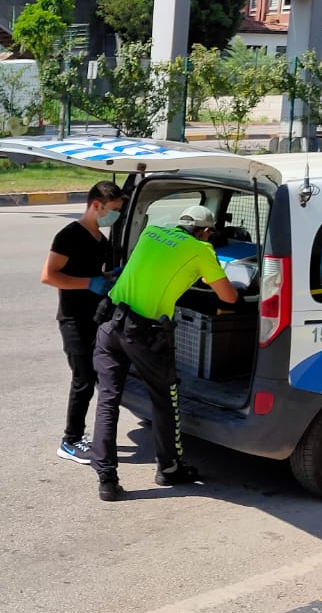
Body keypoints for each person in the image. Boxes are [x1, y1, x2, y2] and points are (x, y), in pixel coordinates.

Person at [91, 205, 238, 501]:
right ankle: (169, 469)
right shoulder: (201, 250)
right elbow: (229, 296)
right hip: (144, 335)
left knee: (107, 401)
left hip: (110, 324)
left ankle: (107, 479)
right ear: (205, 231)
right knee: (164, 400)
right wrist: (208, 273)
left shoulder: (151, 231)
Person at [41, 180, 125, 464]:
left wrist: (112, 276)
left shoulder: (101, 240)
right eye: (113, 210)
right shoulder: (69, 236)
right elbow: (49, 275)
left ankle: (87, 436)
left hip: (96, 318)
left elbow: (99, 275)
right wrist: (88, 283)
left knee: (98, 377)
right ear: (96, 205)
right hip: (73, 319)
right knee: (83, 380)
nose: (115, 216)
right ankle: (70, 440)